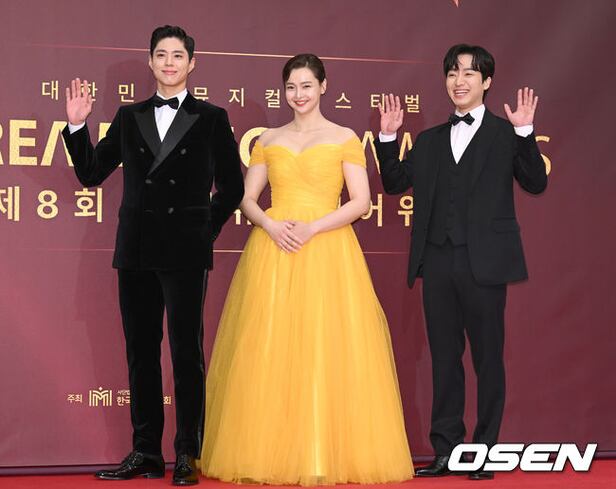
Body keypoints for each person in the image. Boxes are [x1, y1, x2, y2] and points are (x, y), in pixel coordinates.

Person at [199, 53, 413, 485]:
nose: (298, 95)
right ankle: (265, 454)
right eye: (291, 87)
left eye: (306, 86)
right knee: (270, 349)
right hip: (274, 248)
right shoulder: (269, 139)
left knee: (324, 348)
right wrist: (270, 225)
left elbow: (360, 201)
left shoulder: (344, 137)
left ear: (323, 87)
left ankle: (321, 454)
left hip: (328, 248)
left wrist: (313, 227)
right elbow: (246, 197)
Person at [62, 25, 244, 485]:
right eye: (161, 55)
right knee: (141, 353)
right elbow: (91, 173)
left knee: (186, 354)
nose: (169, 63)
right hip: (137, 250)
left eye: (177, 55)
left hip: (185, 251)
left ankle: (186, 453)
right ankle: (145, 451)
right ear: (150, 62)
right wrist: (77, 126)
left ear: (192, 63)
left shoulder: (211, 117)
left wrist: (201, 231)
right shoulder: (130, 116)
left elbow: (232, 187)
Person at [375, 44, 547, 480]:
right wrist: (388, 139)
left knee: (488, 359)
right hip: (436, 261)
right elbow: (394, 184)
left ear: (487, 81)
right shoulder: (430, 140)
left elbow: (535, 182)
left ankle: (485, 450)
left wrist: (525, 132)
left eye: (469, 73)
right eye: (452, 73)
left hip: (485, 263)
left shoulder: (506, 134)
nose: (459, 81)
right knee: (444, 358)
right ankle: (446, 450)